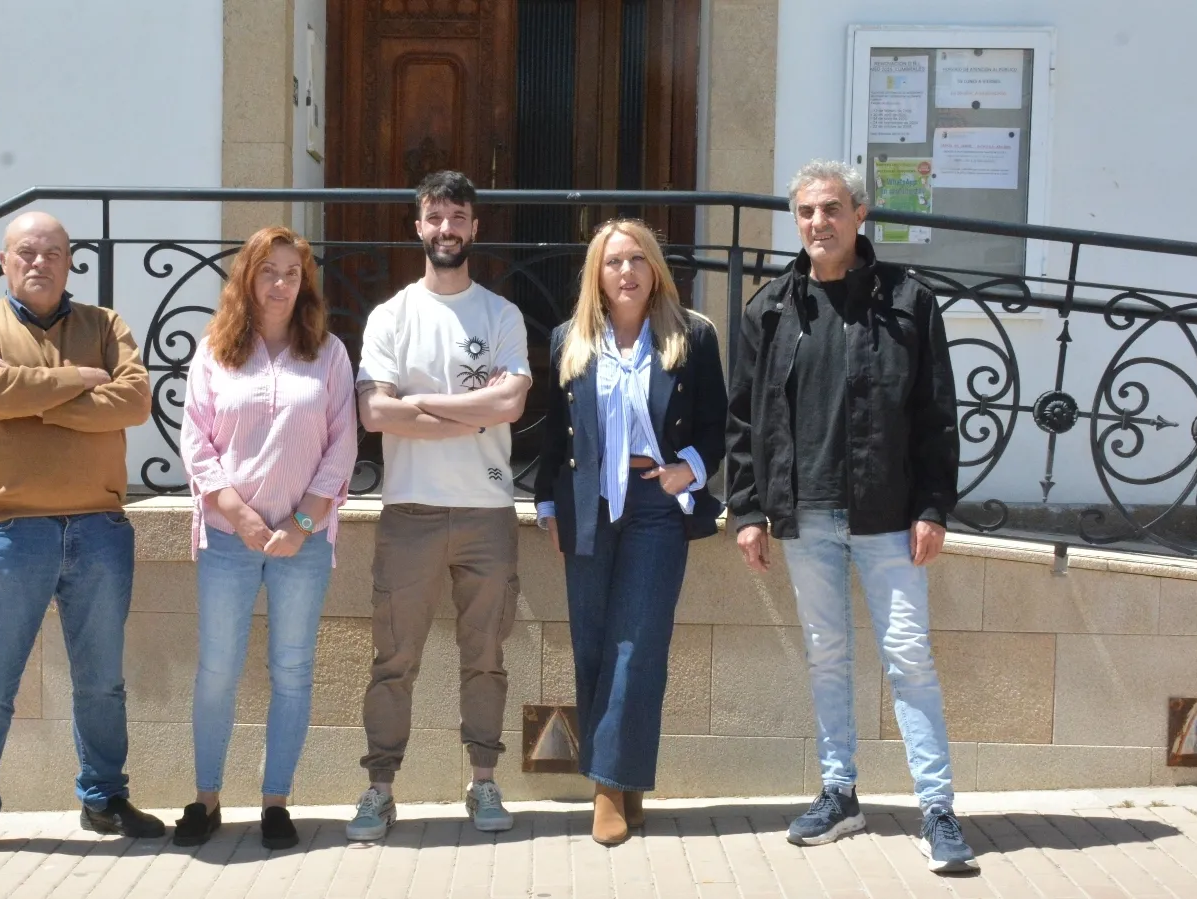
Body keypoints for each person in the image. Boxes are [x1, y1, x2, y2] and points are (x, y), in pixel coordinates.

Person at [725, 160, 976, 873]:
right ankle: (840, 794)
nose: (818, 223)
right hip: (804, 515)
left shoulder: (908, 301)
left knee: (909, 657)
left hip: (888, 515)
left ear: (860, 215)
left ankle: (938, 808)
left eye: (832, 208)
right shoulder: (770, 309)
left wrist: (932, 505)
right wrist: (748, 509)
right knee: (827, 655)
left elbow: (936, 413)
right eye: (806, 211)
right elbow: (744, 418)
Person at [0, 211, 160, 865]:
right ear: (5, 260)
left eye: (53, 252)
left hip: (97, 527)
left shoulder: (105, 325)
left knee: (102, 683)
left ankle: (104, 797)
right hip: (8, 530)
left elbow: (134, 402)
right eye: (27, 252)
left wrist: (24, 400)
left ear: (70, 260)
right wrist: (81, 381)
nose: (40, 262)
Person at [347, 170, 532, 841]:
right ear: (418, 226)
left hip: (487, 511)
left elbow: (511, 403)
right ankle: (379, 790)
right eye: (435, 217)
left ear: (474, 227)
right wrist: (471, 412)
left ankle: (483, 782)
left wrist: (419, 404)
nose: (446, 229)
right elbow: (374, 413)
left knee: (486, 657)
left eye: (458, 217)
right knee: (394, 660)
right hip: (411, 513)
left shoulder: (501, 314)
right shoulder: (391, 316)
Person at [534, 219, 726, 845]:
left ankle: (607, 788)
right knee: (592, 644)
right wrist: (548, 507)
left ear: (655, 270)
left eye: (637, 259)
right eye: (614, 261)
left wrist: (686, 470)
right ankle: (627, 778)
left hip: (654, 507)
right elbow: (553, 431)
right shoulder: (569, 339)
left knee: (636, 645)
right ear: (597, 274)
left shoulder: (692, 336)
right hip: (587, 505)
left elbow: (717, 424)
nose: (626, 271)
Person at [174, 226, 357, 851]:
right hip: (230, 537)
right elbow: (196, 442)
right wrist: (243, 517)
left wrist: (300, 524)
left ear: (305, 283)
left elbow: (343, 443)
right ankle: (206, 799)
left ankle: (276, 801)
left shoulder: (328, 353)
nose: (280, 284)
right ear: (246, 279)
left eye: (291, 273)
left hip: (303, 542)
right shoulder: (215, 351)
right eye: (268, 271)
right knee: (217, 670)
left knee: (293, 670)